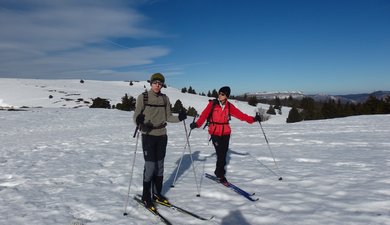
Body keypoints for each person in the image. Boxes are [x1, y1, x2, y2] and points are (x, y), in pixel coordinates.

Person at [133, 73, 187, 210]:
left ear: (162, 85)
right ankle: (146, 196)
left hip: (162, 135)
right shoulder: (143, 97)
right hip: (148, 135)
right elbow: (136, 116)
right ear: (151, 83)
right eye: (155, 83)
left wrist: (180, 118)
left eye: (160, 83)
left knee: (160, 166)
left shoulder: (165, 99)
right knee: (150, 167)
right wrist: (140, 122)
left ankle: (157, 194)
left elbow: (169, 117)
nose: (157, 85)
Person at [190, 86, 262, 184]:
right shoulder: (212, 104)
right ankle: (220, 174)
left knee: (223, 154)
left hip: (226, 133)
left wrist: (253, 119)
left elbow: (241, 116)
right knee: (220, 153)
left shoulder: (229, 106)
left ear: (227, 96)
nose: (220, 95)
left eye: (222, 94)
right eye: (219, 93)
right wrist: (197, 124)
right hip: (214, 132)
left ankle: (218, 172)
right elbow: (204, 115)